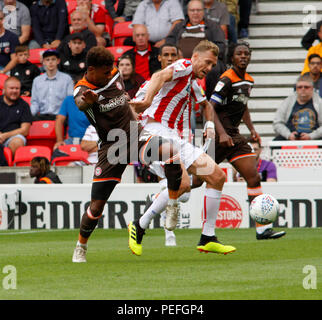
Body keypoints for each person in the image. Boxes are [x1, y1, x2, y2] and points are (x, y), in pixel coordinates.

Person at [72, 46, 189, 262]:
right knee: (96, 207)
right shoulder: (80, 90)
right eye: (105, 71)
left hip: (135, 136)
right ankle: (81, 245)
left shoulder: (114, 73)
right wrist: (88, 100)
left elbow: (122, 101)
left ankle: (172, 203)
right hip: (111, 147)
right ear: (91, 70)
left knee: (171, 151)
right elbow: (80, 103)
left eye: (111, 70)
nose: (112, 73)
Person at [129, 40, 236, 256]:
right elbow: (159, 76)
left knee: (216, 176)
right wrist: (148, 100)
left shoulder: (192, 82)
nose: (209, 68)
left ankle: (207, 237)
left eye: (213, 65)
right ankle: (141, 224)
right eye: (207, 62)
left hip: (177, 137)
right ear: (195, 57)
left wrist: (208, 125)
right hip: (156, 132)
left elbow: (205, 105)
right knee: (183, 183)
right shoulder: (184, 65)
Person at [209, 42, 285, 240]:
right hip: (218, 137)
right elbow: (210, 107)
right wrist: (221, 134)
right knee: (194, 182)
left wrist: (252, 129)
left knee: (253, 177)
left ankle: (262, 229)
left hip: (235, 136)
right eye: (239, 53)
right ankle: (168, 191)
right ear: (232, 58)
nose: (243, 56)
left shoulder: (249, 81)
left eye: (246, 53)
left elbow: (243, 106)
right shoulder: (227, 79)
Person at [273, 75, 322, 141]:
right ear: (296, 88)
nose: (303, 89)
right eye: (300, 87)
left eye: (306, 87)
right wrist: (288, 135)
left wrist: (311, 136)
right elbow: (277, 123)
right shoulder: (287, 101)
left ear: (312, 88)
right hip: (290, 138)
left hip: (314, 139)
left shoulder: (319, 102)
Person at [30, 49, 74, 121]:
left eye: (53, 59)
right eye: (47, 60)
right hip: (42, 116)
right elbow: (35, 103)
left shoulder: (67, 79)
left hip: (60, 117)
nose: (50, 62)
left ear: (58, 61)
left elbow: (70, 101)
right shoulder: (37, 80)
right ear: (43, 62)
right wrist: (28, 116)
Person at [0, 76, 32, 156]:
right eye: (11, 88)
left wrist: (4, 136)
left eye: (17, 88)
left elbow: (25, 130)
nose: (14, 91)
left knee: (17, 142)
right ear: (4, 89)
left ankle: (12, 168)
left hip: (13, 137)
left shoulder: (24, 105)